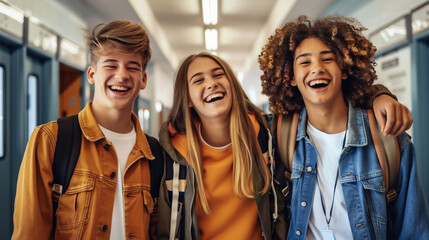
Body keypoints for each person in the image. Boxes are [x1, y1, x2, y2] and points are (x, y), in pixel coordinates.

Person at [259, 15, 429, 239]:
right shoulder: (279, 135)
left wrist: (380, 94)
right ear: (291, 77)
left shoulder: (388, 138)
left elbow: (414, 232)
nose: (317, 68)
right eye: (305, 62)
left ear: (345, 69)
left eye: (327, 59)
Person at [12, 19, 163, 239]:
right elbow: (30, 233)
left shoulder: (154, 154)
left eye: (132, 67)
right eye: (111, 64)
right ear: (92, 74)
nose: (121, 75)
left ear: (143, 79)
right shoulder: (51, 140)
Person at [156, 52, 287, 240]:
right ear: (188, 100)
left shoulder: (265, 137)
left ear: (232, 85)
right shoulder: (174, 155)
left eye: (218, 75)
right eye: (198, 80)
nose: (211, 83)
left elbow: (281, 209)